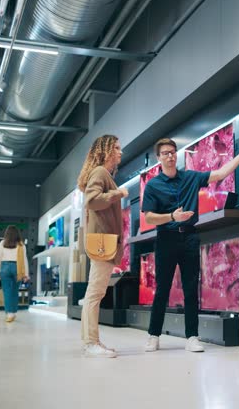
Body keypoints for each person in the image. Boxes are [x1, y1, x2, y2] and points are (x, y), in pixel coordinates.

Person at [142, 138, 239, 353]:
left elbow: (219, 174)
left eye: (173, 152)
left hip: (189, 237)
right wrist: (172, 216)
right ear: (158, 158)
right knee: (162, 290)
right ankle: (153, 335)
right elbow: (149, 218)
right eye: (165, 153)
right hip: (166, 239)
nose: (170, 156)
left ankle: (192, 337)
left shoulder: (190, 177)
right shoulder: (153, 185)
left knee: (190, 289)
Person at [77, 134, 129, 358]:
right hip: (102, 242)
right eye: (116, 148)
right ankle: (91, 343)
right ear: (106, 150)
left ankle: (92, 341)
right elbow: (92, 200)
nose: (120, 152)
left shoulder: (102, 173)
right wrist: (118, 193)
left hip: (102, 241)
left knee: (95, 293)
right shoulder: (100, 172)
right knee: (95, 293)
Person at [0, 225, 29, 323]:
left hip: (5, 268)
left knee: (7, 292)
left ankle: (9, 313)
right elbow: (24, 260)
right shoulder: (21, 245)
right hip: (17, 268)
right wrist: (26, 274)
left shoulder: (2, 243)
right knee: (14, 291)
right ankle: (13, 312)